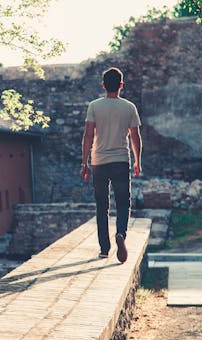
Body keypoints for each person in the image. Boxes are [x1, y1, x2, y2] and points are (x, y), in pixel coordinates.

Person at [81, 67, 142, 263]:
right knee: (123, 203)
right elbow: (135, 136)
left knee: (102, 206)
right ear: (121, 85)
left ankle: (104, 249)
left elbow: (88, 135)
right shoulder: (129, 107)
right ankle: (121, 234)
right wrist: (138, 161)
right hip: (121, 161)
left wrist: (84, 163)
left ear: (103, 85)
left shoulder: (94, 106)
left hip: (99, 162)